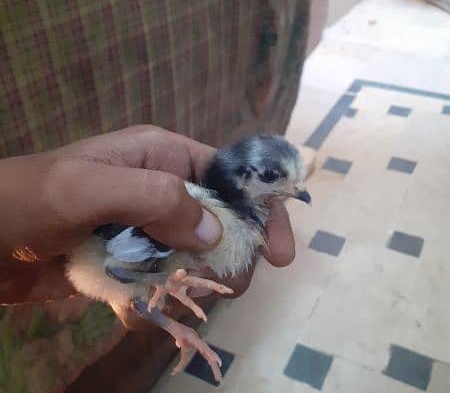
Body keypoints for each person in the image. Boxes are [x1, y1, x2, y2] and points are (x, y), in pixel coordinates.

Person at [0, 125, 295, 307]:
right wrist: (161, 281)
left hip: (90, 264)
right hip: (103, 261)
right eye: (273, 177)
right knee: (146, 280)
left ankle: (174, 324)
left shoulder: (226, 214)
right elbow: (112, 268)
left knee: (143, 296)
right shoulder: (201, 209)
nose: (295, 192)